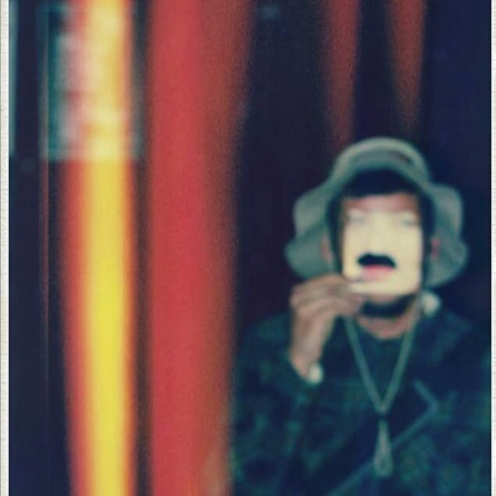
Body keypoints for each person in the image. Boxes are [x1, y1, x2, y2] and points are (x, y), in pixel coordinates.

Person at [231, 137, 490, 496]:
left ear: (431, 249)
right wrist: (298, 364)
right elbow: (239, 482)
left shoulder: (482, 359)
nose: (378, 246)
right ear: (329, 249)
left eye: (402, 226)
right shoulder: (271, 344)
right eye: (358, 226)